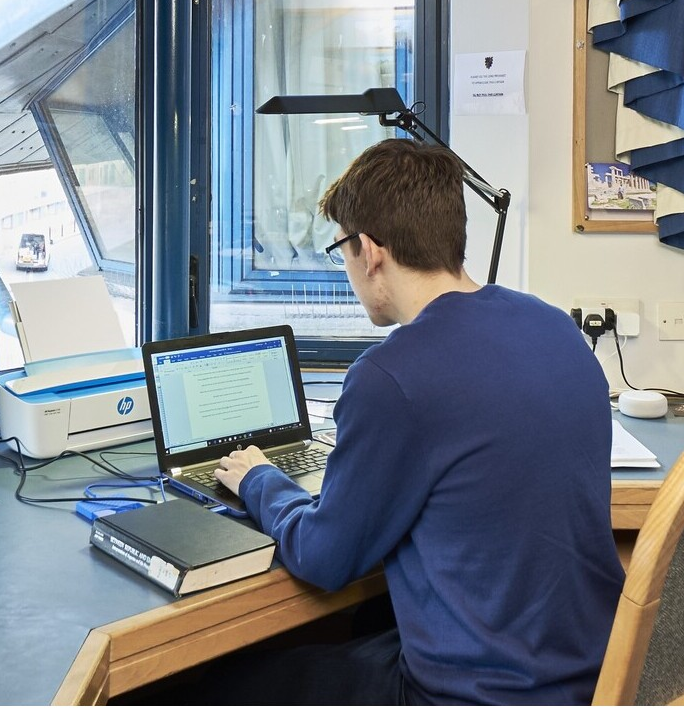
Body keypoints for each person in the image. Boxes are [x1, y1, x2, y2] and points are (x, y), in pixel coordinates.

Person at [206, 138, 624, 705]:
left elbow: (326, 559)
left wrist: (258, 479)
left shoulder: (390, 376)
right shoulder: (553, 327)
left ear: (370, 250)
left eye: (341, 251)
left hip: (473, 696)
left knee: (221, 685)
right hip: (593, 680)